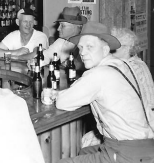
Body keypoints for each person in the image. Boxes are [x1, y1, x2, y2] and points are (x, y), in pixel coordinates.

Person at [56, 22, 154, 163]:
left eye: (90, 47)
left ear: (105, 49)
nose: (82, 53)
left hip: (127, 152)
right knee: (84, 151)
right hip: (146, 144)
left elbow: (62, 102)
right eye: (81, 47)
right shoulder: (124, 64)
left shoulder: (99, 74)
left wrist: (56, 94)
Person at [12, 6, 85, 65]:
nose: (58, 29)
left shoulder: (86, 42)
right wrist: (35, 62)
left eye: (63, 26)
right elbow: (46, 55)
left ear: (76, 26)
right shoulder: (61, 42)